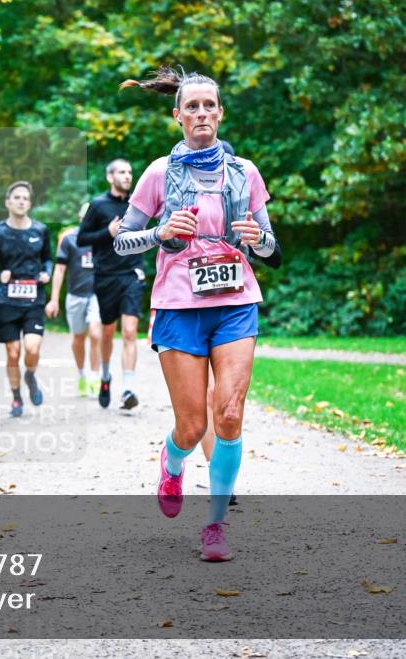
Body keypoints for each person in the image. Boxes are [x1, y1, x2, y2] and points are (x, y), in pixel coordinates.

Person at [115, 67, 279, 561]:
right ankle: (173, 459)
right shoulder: (158, 174)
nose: (202, 113)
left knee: (228, 414)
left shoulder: (245, 172)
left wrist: (259, 240)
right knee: (191, 426)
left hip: (235, 303)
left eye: (210, 105)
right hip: (178, 307)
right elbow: (123, 241)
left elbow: (272, 248)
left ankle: (215, 524)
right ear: (177, 116)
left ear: (221, 112)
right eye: (192, 106)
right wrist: (161, 233)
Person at [0, 181, 53, 417]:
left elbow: (48, 260)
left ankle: (30, 375)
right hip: (6, 301)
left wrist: (47, 273)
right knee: (13, 353)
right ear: (8, 202)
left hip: (34, 298)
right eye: (17, 198)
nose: (21, 201)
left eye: (25, 198)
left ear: (29, 204)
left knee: (32, 347)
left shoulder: (40, 230)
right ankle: (16, 397)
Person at [77, 159, 145, 411]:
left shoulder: (138, 203)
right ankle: (105, 376)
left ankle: (128, 389)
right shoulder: (98, 205)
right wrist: (107, 232)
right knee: (108, 332)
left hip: (131, 274)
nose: (127, 176)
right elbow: (82, 238)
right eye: (122, 172)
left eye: (129, 171)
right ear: (110, 176)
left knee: (129, 331)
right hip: (105, 276)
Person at [45, 202, 103, 397]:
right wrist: (54, 299)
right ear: (80, 218)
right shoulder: (69, 239)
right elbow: (59, 270)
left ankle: (95, 377)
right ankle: (82, 375)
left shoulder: (103, 239)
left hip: (97, 295)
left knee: (95, 334)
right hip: (75, 295)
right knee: (78, 338)